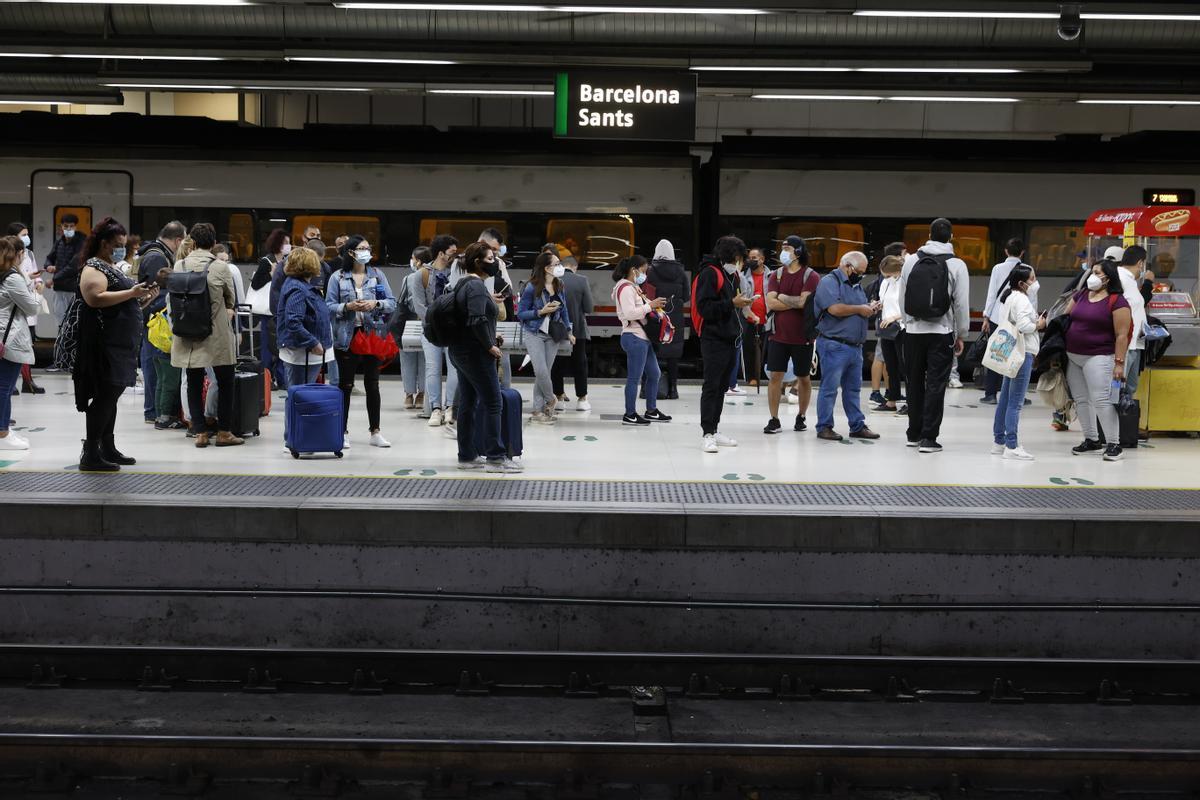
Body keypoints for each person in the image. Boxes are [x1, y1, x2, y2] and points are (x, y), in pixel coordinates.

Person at [73, 218, 158, 471]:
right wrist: (132, 293)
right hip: (105, 344)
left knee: (111, 396)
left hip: (120, 344)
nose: (123, 249)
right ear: (103, 243)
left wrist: (143, 299)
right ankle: (90, 453)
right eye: (118, 245)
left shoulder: (110, 266)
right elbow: (95, 298)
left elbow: (121, 304)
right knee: (105, 396)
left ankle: (106, 447)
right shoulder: (93, 268)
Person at [446, 242, 522, 474]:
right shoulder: (477, 287)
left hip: (460, 350)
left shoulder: (463, 283)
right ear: (478, 262)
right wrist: (489, 344)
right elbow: (477, 320)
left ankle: (467, 455)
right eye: (491, 258)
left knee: (468, 403)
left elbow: (471, 319)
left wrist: (491, 333)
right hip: (476, 353)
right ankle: (496, 458)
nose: (495, 262)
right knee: (493, 403)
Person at [899, 218, 971, 454]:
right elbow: (960, 304)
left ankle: (913, 433)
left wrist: (907, 323)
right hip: (941, 332)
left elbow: (903, 297)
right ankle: (929, 439)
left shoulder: (911, 261)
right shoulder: (957, 264)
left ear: (928, 235)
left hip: (913, 332)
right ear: (950, 237)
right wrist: (961, 333)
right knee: (936, 385)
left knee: (914, 382)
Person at [171, 223, 243, 449]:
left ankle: (200, 432)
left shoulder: (179, 265)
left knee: (193, 381)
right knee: (225, 381)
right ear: (213, 244)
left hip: (187, 332)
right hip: (215, 334)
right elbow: (230, 300)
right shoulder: (221, 267)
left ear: (192, 242)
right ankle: (224, 432)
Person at [326, 235, 396, 449]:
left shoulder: (377, 275)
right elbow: (328, 305)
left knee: (372, 385)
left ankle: (375, 431)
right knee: (345, 385)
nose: (367, 252)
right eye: (362, 248)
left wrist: (375, 303)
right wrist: (347, 307)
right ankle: (342, 431)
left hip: (371, 335)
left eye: (368, 248)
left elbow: (391, 303)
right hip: (347, 337)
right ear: (351, 252)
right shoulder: (337, 277)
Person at [1064, 258, 1132, 462]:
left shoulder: (1117, 301)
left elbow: (1121, 335)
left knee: (1101, 399)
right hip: (1073, 355)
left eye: (1097, 272)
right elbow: (1065, 317)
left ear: (1108, 277)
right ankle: (1092, 440)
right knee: (1081, 399)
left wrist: (1119, 363)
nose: (1092, 276)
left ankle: (1113, 444)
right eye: (1092, 271)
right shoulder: (1082, 294)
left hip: (1099, 356)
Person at [811, 251, 880, 442]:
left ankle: (857, 425)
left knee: (853, 389)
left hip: (854, 346)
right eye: (859, 271)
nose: (861, 275)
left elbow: (856, 309)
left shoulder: (855, 285)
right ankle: (824, 426)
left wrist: (870, 308)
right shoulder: (829, 282)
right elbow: (834, 308)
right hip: (835, 345)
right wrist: (860, 308)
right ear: (847, 266)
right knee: (829, 388)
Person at [696, 235, 754, 453]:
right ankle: (707, 433)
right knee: (711, 385)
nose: (740, 262)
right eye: (739, 257)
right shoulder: (710, 274)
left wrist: (741, 304)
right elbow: (705, 308)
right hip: (713, 339)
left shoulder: (733, 276)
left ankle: (714, 428)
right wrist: (731, 303)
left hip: (730, 337)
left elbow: (730, 305)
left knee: (721, 386)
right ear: (730, 256)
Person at [763, 236, 820, 435]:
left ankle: (801, 416)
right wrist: (792, 301)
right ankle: (774, 419)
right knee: (775, 376)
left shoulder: (811, 276)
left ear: (798, 251)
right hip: (777, 335)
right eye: (782, 247)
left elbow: (805, 303)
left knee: (803, 377)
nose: (783, 251)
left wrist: (781, 297)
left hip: (803, 337)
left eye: (787, 248)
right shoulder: (776, 275)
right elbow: (771, 303)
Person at [989, 264, 1045, 460]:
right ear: (1022, 283)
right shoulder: (1022, 300)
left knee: (1004, 399)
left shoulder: (1009, 297)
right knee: (1016, 402)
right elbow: (1024, 326)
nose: (1035, 282)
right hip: (1023, 352)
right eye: (1032, 279)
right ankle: (1011, 445)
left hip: (1011, 352)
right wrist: (1039, 323)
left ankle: (999, 441)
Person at [612, 255, 671, 426]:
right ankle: (630, 414)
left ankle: (651, 410)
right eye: (644, 270)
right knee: (634, 378)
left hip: (643, 337)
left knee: (654, 374)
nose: (645, 274)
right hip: (634, 336)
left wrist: (651, 305)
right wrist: (649, 306)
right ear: (634, 270)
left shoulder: (633, 287)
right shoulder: (625, 288)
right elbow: (630, 313)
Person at [518, 251, 574, 424]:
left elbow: (564, 310)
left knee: (544, 373)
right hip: (534, 332)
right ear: (547, 268)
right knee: (541, 371)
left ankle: (538, 411)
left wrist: (569, 330)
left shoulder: (560, 284)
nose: (560, 267)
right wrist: (540, 312)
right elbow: (521, 314)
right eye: (557, 264)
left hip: (553, 334)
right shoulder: (531, 287)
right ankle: (551, 399)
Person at [981, 238, 1037, 404]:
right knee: (1018, 354)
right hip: (1020, 317)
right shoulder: (1028, 269)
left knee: (996, 353)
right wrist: (1032, 318)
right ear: (1022, 252)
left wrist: (986, 317)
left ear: (1006, 251)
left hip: (999, 317)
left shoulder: (997, 268)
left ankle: (990, 394)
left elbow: (992, 294)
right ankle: (1019, 394)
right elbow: (1032, 296)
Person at [0, 236, 42, 451]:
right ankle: (2, 433)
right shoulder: (12, 278)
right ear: (17, 254)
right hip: (9, 339)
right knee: (4, 387)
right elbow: (32, 307)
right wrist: (35, 292)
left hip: (3, 335)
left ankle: (3, 428)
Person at [277, 246, 334, 394]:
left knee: (300, 396)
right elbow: (293, 322)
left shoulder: (297, 285)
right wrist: (313, 342)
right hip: (303, 355)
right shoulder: (299, 290)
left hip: (306, 354)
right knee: (300, 397)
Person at [416, 234, 459, 426]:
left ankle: (450, 406)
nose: (455, 256)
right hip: (431, 329)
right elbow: (419, 305)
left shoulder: (457, 273)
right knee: (432, 369)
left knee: (454, 369)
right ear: (441, 253)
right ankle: (435, 407)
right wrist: (435, 321)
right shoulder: (421, 274)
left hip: (453, 328)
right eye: (452, 252)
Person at [5, 226, 45, 395]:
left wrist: (37, 280)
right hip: (19, 307)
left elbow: (30, 273)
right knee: (14, 351)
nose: (27, 237)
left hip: (25, 303)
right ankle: (15, 383)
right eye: (24, 235)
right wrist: (35, 290)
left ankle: (26, 381)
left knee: (26, 346)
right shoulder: (10, 266)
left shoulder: (29, 254)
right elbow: (20, 280)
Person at [646, 239, 687, 400]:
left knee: (652, 354)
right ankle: (673, 390)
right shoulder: (681, 272)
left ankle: (650, 389)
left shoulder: (650, 271)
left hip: (656, 316)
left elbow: (645, 294)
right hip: (675, 317)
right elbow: (686, 296)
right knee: (673, 356)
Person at [250, 228, 291, 390]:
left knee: (283, 344)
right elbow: (255, 284)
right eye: (285, 243)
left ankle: (282, 378)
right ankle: (266, 379)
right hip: (268, 311)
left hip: (284, 309)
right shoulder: (267, 261)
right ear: (278, 244)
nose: (288, 246)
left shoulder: (289, 261)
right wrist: (271, 274)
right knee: (268, 346)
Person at [552, 255, 594, 410]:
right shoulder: (581, 280)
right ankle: (582, 399)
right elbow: (589, 308)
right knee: (580, 363)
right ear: (574, 267)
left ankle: (559, 398)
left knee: (557, 363)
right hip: (578, 330)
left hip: (556, 329)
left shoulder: (553, 280)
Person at [44, 213, 85, 369]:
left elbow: (73, 267)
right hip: (60, 290)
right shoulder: (59, 242)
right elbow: (50, 257)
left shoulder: (81, 243)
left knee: (74, 325)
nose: (68, 229)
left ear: (76, 226)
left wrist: (53, 278)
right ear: (61, 227)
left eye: (71, 226)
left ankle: (74, 359)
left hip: (74, 290)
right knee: (61, 325)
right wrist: (48, 265)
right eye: (65, 226)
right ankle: (62, 359)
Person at [145, 267, 184, 430]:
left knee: (161, 382)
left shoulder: (153, 298)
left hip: (154, 345)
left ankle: (159, 415)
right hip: (168, 347)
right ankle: (165, 417)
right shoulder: (170, 299)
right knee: (170, 383)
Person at [477, 228, 515, 389]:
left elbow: (508, 289)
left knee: (502, 360)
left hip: (496, 321)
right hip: (475, 322)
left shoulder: (498, 263)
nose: (493, 254)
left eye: (496, 251)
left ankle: (503, 397)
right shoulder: (462, 262)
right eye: (491, 249)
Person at [398, 245, 429, 411]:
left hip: (409, 324)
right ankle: (422, 394)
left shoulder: (408, 279)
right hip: (428, 323)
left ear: (417, 261)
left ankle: (409, 395)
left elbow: (401, 301)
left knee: (407, 359)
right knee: (425, 360)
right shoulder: (433, 276)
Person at [873, 255, 906, 413]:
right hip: (886, 328)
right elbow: (884, 301)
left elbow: (909, 306)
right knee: (890, 366)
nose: (885, 277)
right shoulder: (886, 282)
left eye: (887, 274)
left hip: (902, 328)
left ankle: (912, 402)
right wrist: (878, 305)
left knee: (906, 367)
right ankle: (892, 400)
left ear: (897, 270)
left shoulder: (905, 282)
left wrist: (895, 316)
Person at [1117, 246, 1149, 404]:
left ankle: (1124, 424)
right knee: (1118, 388)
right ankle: (1112, 426)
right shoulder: (1121, 279)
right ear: (1140, 263)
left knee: (1129, 388)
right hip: (1125, 346)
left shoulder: (1129, 281)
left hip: (1135, 344)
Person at [739, 247, 769, 390]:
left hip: (768, 320)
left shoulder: (772, 276)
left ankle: (764, 376)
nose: (751, 261)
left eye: (754, 258)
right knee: (749, 349)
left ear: (762, 260)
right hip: (749, 319)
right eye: (749, 258)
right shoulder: (743, 277)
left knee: (766, 349)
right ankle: (751, 377)